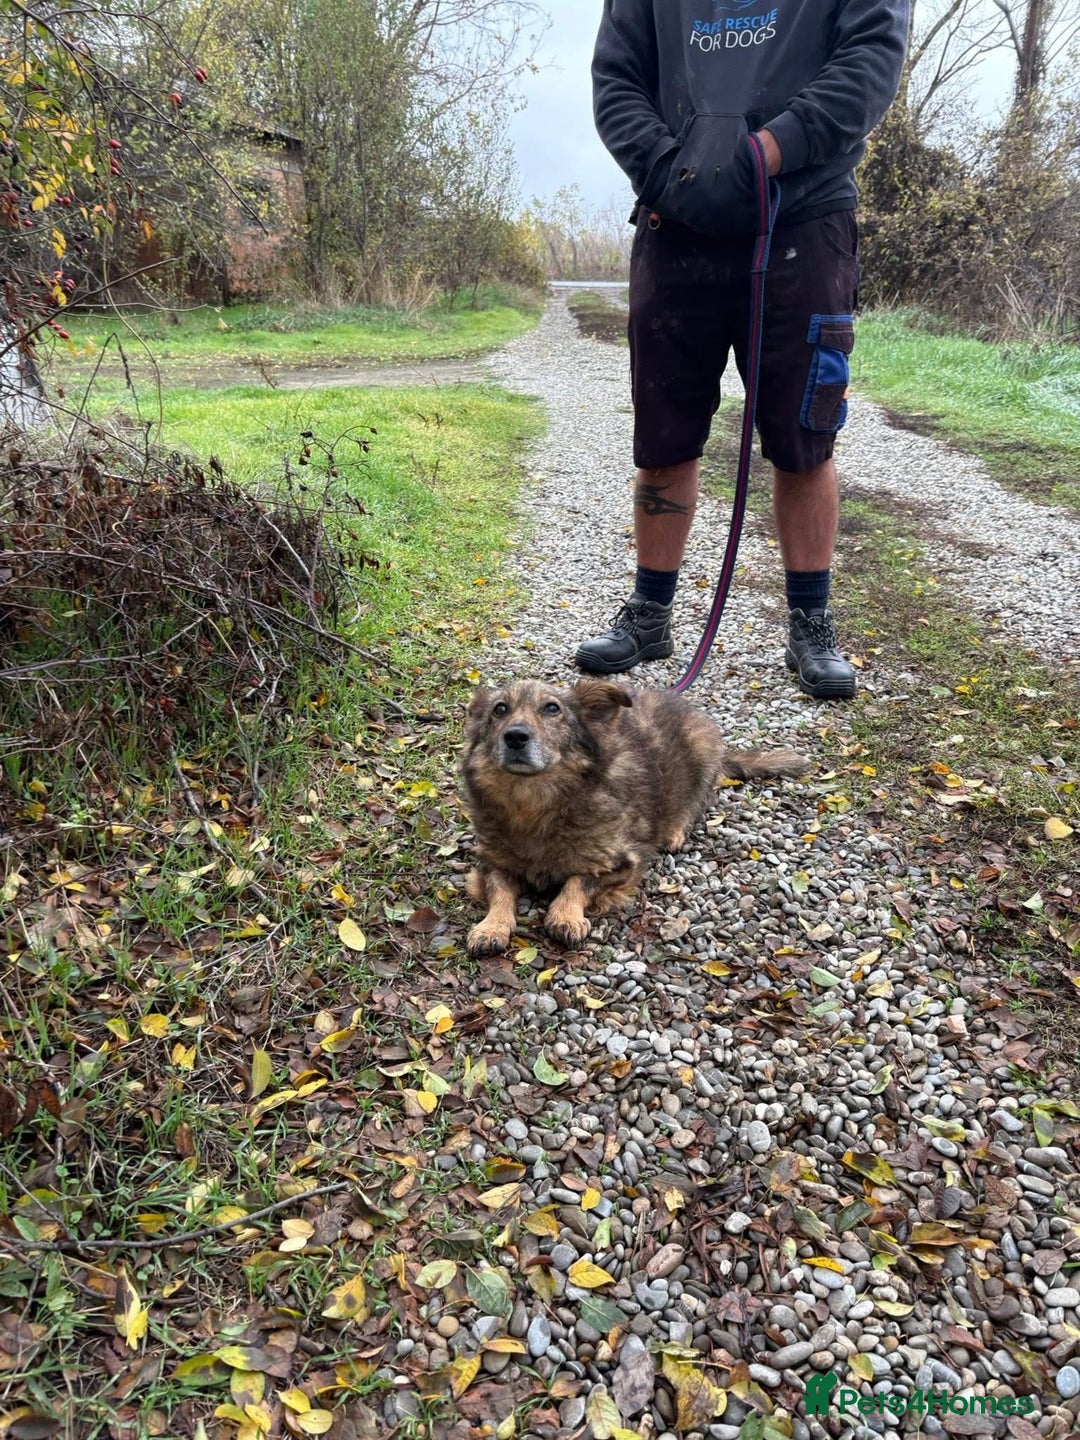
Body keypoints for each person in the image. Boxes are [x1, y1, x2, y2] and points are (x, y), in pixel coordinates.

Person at [577, 0, 911, 699]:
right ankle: (651, 611)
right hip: (675, 223)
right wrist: (672, 170)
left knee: (804, 435)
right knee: (663, 435)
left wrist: (766, 150)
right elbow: (617, 79)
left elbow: (870, 60)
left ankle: (810, 621)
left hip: (804, 219)